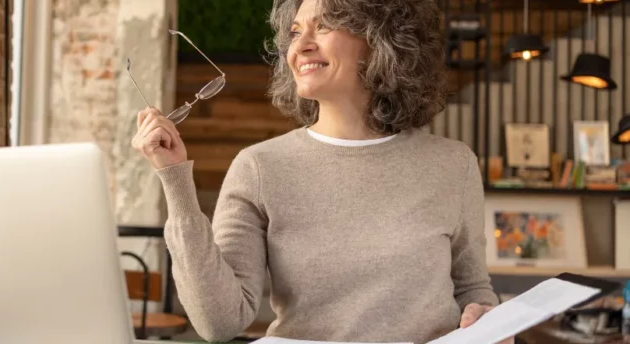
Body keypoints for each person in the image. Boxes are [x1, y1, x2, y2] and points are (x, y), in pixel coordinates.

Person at [131, 0, 509, 343]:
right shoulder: (260, 167)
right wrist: (175, 179)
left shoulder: (452, 164)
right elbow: (219, 322)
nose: (301, 45)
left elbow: (473, 288)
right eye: (296, 32)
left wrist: (485, 316)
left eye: (324, 25)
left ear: (381, 38)